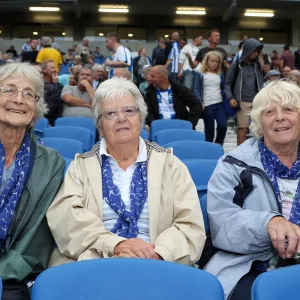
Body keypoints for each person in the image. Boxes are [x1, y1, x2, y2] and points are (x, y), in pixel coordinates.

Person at [47, 77, 205, 267]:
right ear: (100, 127)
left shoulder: (170, 165)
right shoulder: (80, 167)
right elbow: (66, 220)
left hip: (158, 263)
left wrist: (157, 253)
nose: (121, 118)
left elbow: (189, 224)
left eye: (129, 111)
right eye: (111, 113)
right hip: (95, 262)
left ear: (141, 118)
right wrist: (117, 245)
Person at [205, 80, 300, 299]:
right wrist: (268, 223)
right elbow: (222, 223)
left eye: (288, 109)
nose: (280, 117)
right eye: (269, 112)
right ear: (259, 122)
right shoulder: (233, 164)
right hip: (248, 264)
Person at [0, 62, 64, 299]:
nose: (19, 99)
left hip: (12, 272)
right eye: (9, 90)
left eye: (29, 94)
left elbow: (36, 237)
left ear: (36, 107)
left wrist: (5, 270)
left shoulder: (51, 163)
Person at [225, 38, 264, 145]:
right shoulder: (236, 65)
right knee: (242, 128)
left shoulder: (257, 65)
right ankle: (239, 155)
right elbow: (227, 83)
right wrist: (230, 97)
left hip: (257, 101)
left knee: (261, 129)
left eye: (258, 51)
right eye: (254, 50)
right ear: (248, 50)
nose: (256, 53)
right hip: (242, 101)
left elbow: (261, 81)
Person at [193, 51, 228, 145]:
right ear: (207, 61)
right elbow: (196, 89)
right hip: (207, 105)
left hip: (219, 103)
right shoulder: (200, 74)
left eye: (216, 62)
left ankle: (218, 144)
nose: (214, 63)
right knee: (209, 131)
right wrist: (200, 102)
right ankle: (209, 149)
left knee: (223, 125)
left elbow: (224, 87)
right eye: (212, 61)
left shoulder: (220, 74)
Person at [41, 60, 64, 125]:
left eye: (55, 67)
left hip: (58, 119)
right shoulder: (42, 85)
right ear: (45, 70)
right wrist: (55, 83)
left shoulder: (58, 84)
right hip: (47, 120)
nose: (55, 70)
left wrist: (55, 83)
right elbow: (52, 106)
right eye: (52, 68)